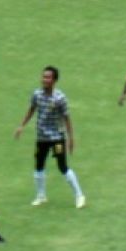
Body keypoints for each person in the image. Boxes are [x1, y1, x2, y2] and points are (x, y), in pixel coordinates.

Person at [15, 66, 86, 208]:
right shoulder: (37, 94)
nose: (44, 80)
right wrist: (21, 125)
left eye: (48, 77)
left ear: (54, 80)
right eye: (43, 77)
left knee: (62, 166)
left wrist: (71, 138)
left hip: (56, 138)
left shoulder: (60, 98)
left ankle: (79, 195)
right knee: (39, 165)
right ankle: (41, 195)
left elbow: (67, 118)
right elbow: (31, 109)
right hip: (41, 137)